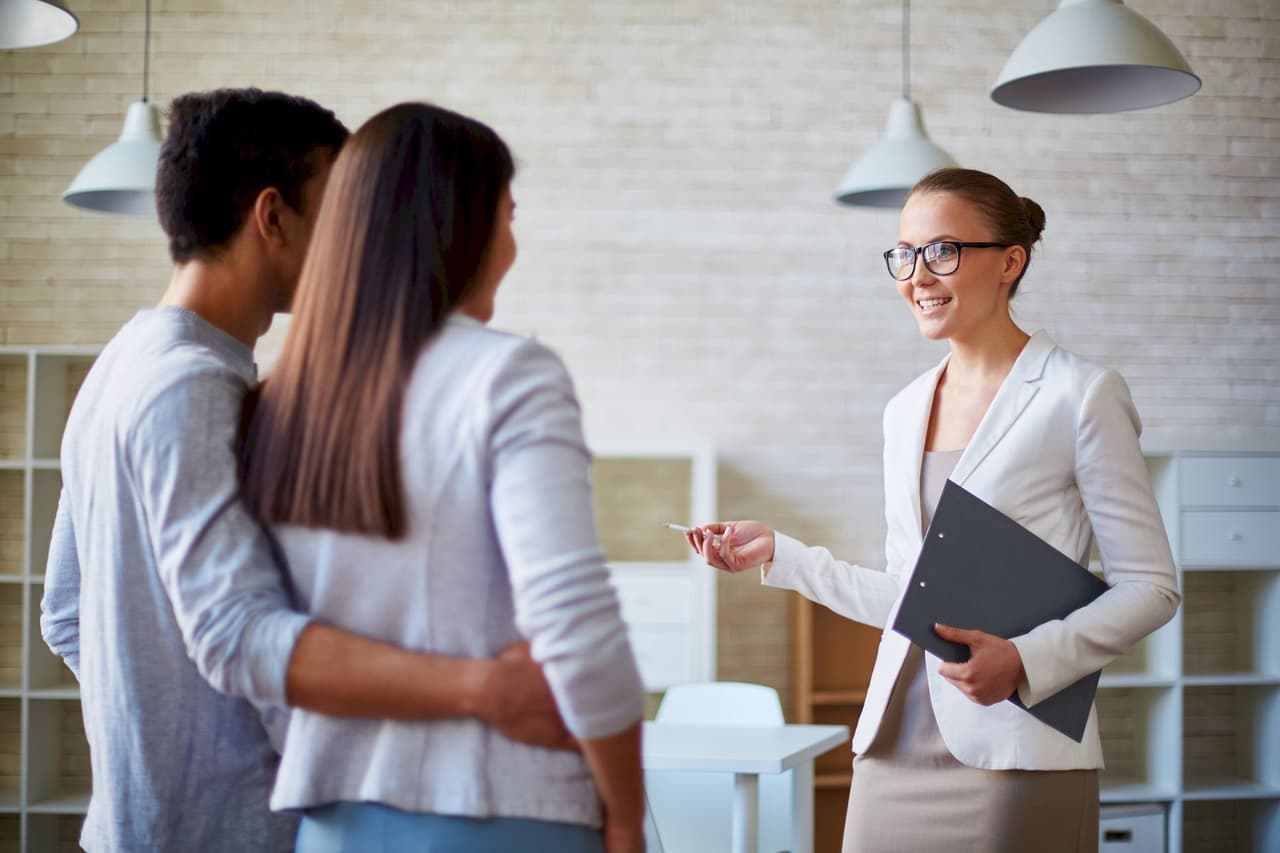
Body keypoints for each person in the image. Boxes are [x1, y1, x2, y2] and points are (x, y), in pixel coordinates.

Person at [40, 88, 574, 853]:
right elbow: (235, 632)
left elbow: (65, 613)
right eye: (339, 212)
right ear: (272, 217)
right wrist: (480, 691)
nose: (358, 242)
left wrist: (155, 736)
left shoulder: (122, 363)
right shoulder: (195, 387)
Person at [686, 168, 1181, 853]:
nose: (917, 274)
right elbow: (908, 592)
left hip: (1014, 746)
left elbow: (1151, 587)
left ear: (1011, 261)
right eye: (905, 254)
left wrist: (1026, 658)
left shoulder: (1081, 395)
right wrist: (779, 552)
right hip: (893, 743)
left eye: (942, 250)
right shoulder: (905, 408)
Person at [238, 101, 646, 853]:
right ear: (460, 223)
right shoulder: (508, 374)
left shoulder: (276, 401)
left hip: (330, 821)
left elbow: (258, 641)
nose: (514, 244)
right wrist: (625, 811)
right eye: (509, 214)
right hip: (502, 810)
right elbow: (574, 623)